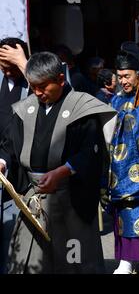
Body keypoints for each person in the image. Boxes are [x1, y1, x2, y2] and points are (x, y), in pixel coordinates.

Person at [0, 52, 116, 273]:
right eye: (33, 86)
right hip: (34, 199)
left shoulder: (82, 107)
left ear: (60, 80)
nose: (37, 92)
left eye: (43, 86)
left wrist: (62, 172)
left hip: (70, 199)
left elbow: (90, 152)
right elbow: (9, 145)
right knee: (31, 262)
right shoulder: (26, 108)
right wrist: (3, 162)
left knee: (73, 263)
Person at [107, 42, 139, 274]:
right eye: (119, 77)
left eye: (127, 76)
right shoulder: (115, 100)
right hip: (118, 169)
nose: (124, 81)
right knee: (122, 216)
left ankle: (135, 261)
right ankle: (127, 260)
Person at [0, 37, 30, 273]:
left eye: (12, 65)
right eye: (3, 64)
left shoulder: (33, 83)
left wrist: (23, 64)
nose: (7, 70)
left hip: (19, 171)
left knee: (13, 238)